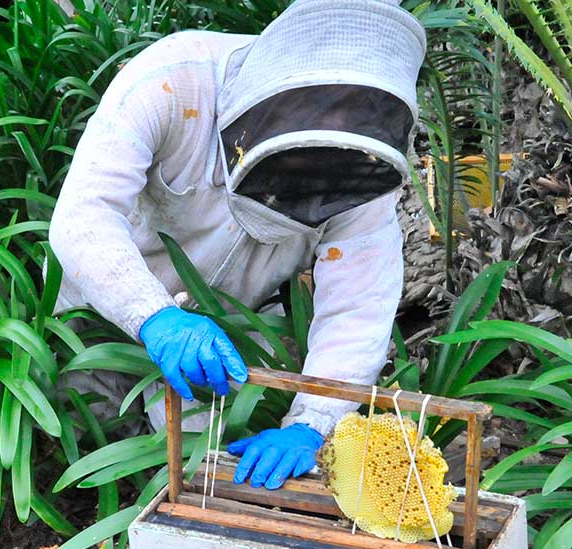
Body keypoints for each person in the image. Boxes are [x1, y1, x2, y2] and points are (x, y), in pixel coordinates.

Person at [49, 0, 426, 491]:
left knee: (193, 476)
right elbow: (85, 213)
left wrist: (314, 421)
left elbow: (360, 303)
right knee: (86, 443)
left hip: (227, 329)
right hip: (100, 300)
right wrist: (153, 314)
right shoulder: (172, 81)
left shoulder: (359, 162)